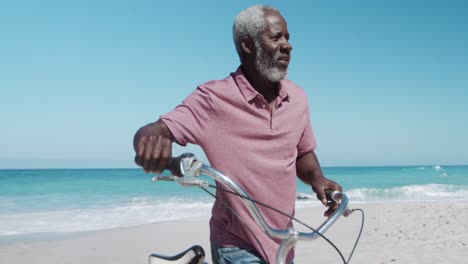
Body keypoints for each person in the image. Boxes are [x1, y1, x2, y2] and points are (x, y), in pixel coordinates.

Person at [133, 5, 342, 264]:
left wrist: (317, 179)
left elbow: (301, 153)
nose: (287, 46)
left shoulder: (298, 98)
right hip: (235, 244)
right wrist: (148, 142)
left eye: (288, 38)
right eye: (276, 37)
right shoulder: (213, 99)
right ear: (248, 45)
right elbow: (158, 129)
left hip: (284, 241)